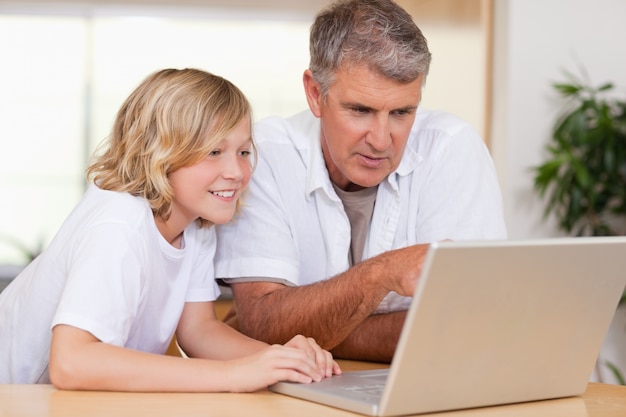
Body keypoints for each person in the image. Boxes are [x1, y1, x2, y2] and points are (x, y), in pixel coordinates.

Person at [0, 68, 340, 390]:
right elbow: (72, 361)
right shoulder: (119, 224)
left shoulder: (196, 223)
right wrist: (234, 374)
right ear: (160, 155)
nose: (237, 171)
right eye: (214, 151)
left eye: (243, 151)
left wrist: (277, 359)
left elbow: (198, 330)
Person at [214, 0, 507, 363]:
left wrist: (299, 331)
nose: (381, 140)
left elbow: (471, 328)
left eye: (402, 112)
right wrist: (383, 273)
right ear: (315, 93)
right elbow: (266, 323)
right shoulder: (262, 156)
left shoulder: (451, 147)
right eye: (360, 110)